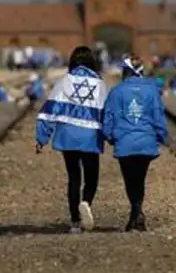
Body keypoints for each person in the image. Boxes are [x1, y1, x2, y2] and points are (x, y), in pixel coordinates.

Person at [35, 46, 108, 234]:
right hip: (91, 136)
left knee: (74, 177)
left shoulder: (64, 81)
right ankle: (86, 203)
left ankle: (75, 221)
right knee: (91, 178)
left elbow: (50, 110)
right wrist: (111, 136)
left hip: (68, 134)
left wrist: (42, 138)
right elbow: (107, 113)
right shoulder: (99, 84)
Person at [102, 55, 168, 231]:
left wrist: (109, 136)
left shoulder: (116, 91)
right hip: (146, 141)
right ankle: (136, 213)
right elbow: (158, 116)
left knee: (130, 180)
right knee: (140, 178)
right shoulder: (152, 90)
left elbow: (108, 117)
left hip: (125, 142)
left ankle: (136, 212)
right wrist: (161, 136)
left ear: (126, 71)